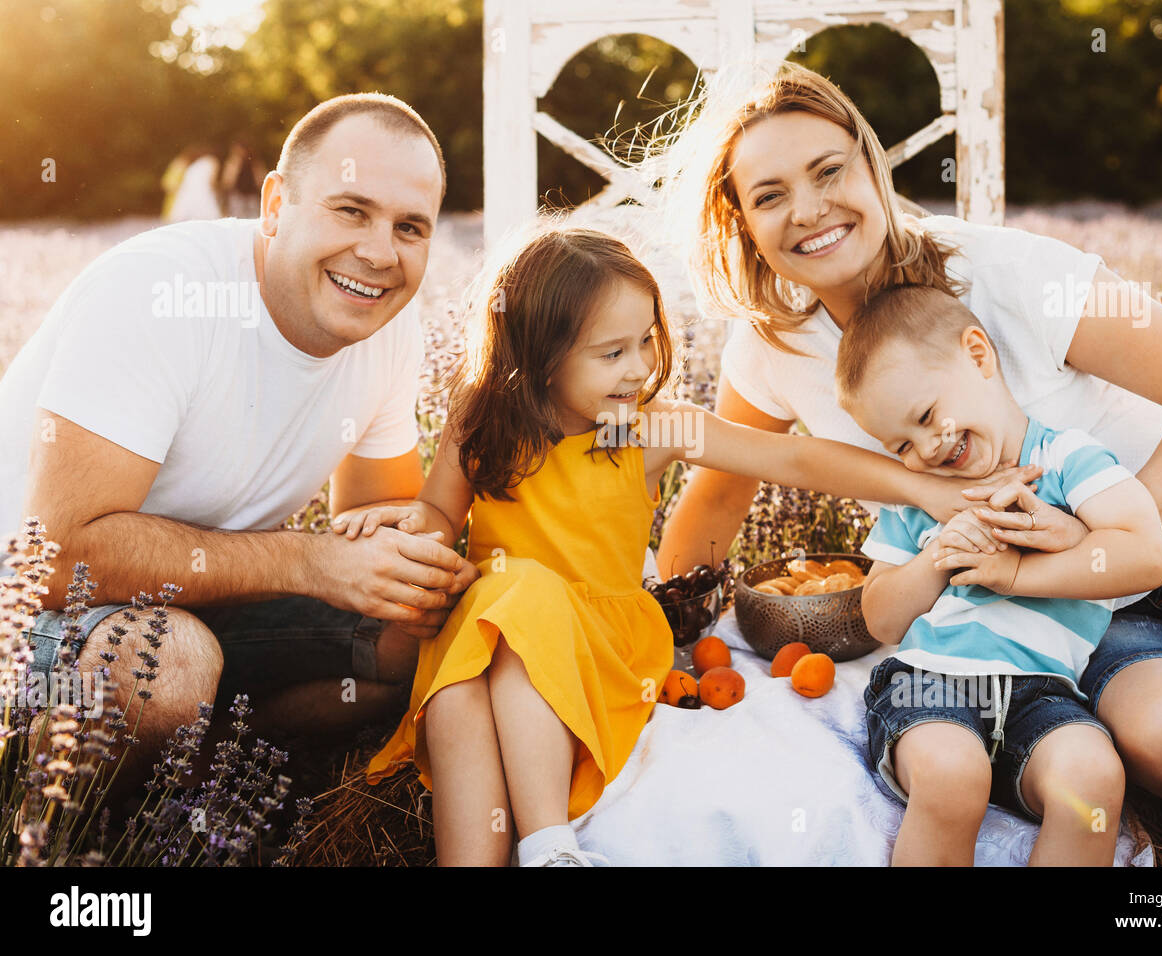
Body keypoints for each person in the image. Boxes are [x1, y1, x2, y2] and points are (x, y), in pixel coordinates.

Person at [653, 61, 1162, 829]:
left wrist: (1103, 537)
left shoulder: (1002, 270)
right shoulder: (774, 350)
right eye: (769, 196)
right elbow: (723, 490)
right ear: (743, 224)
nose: (809, 209)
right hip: (1080, 620)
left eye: (829, 170)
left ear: (872, 162)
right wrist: (673, 638)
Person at [347, 226, 967, 866]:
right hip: (489, 630)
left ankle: (546, 846)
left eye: (646, 341)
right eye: (612, 352)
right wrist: (407, 527)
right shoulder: (480, 416)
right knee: (457, 691)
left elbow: (791, 456)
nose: (641, 367)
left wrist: (919, 486)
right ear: (538, 356)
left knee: (517, 596)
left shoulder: (646, 429)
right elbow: (438, 514)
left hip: (598, 647)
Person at [0, 93, 472, 795]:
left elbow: (375, 527)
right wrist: (307, 562)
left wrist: (432, 542)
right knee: (164, 663)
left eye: (410, 227)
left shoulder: (387, 330)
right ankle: (71, 810)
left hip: (208, 603)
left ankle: (210, 752)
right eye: (350, 210)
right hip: (28, 613)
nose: (379, 253)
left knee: (422, 631)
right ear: (276, 203)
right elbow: (58, 553)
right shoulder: (162, 294)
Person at [840, 284, 1162, 865]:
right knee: (951, 775)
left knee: (1091, 780)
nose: (927, 448)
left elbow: (1144, 555)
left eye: (926, 416)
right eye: (902, 445)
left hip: (1043, 689)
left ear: (979, 354)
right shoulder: (925, 500)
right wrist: (935, 557)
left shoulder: (1069, 459)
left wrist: (1017, 569)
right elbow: (880, 616)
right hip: (930, 678)